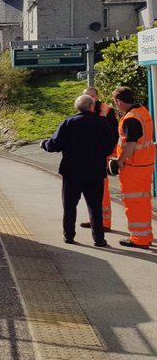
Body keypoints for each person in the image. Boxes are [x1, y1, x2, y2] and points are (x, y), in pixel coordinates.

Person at [40, 94, 116, 246]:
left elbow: (55, 145)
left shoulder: (69, 123)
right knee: (95, 207)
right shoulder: (102, 124)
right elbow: (110, 146)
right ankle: (99, 238)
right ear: (91, 107)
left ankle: (69, 236)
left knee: (69, 205)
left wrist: (44, 144)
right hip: (95, 171)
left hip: (72, 171)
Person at [110, 86, 155, 248]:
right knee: (142, 201)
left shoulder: (131, 119)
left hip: (134, 167)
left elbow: (130, 145)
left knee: (134, 202)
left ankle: (139, 238)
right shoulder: (143, 112)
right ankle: (145, 236)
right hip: (144, 164)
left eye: (115, 102)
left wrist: (119, 161)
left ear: (119, 102)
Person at [80, 86, 119, 231]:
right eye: (86, 96)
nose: (90, 99)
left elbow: (113, 136)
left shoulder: (106, 111)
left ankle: (104, 223)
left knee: (101, 190)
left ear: (97, 96)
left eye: (92, 96)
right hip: (90, 156)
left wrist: (108, 155)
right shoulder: (84, 110)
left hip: (102, 156)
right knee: (91, 190)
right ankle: (95, 219)